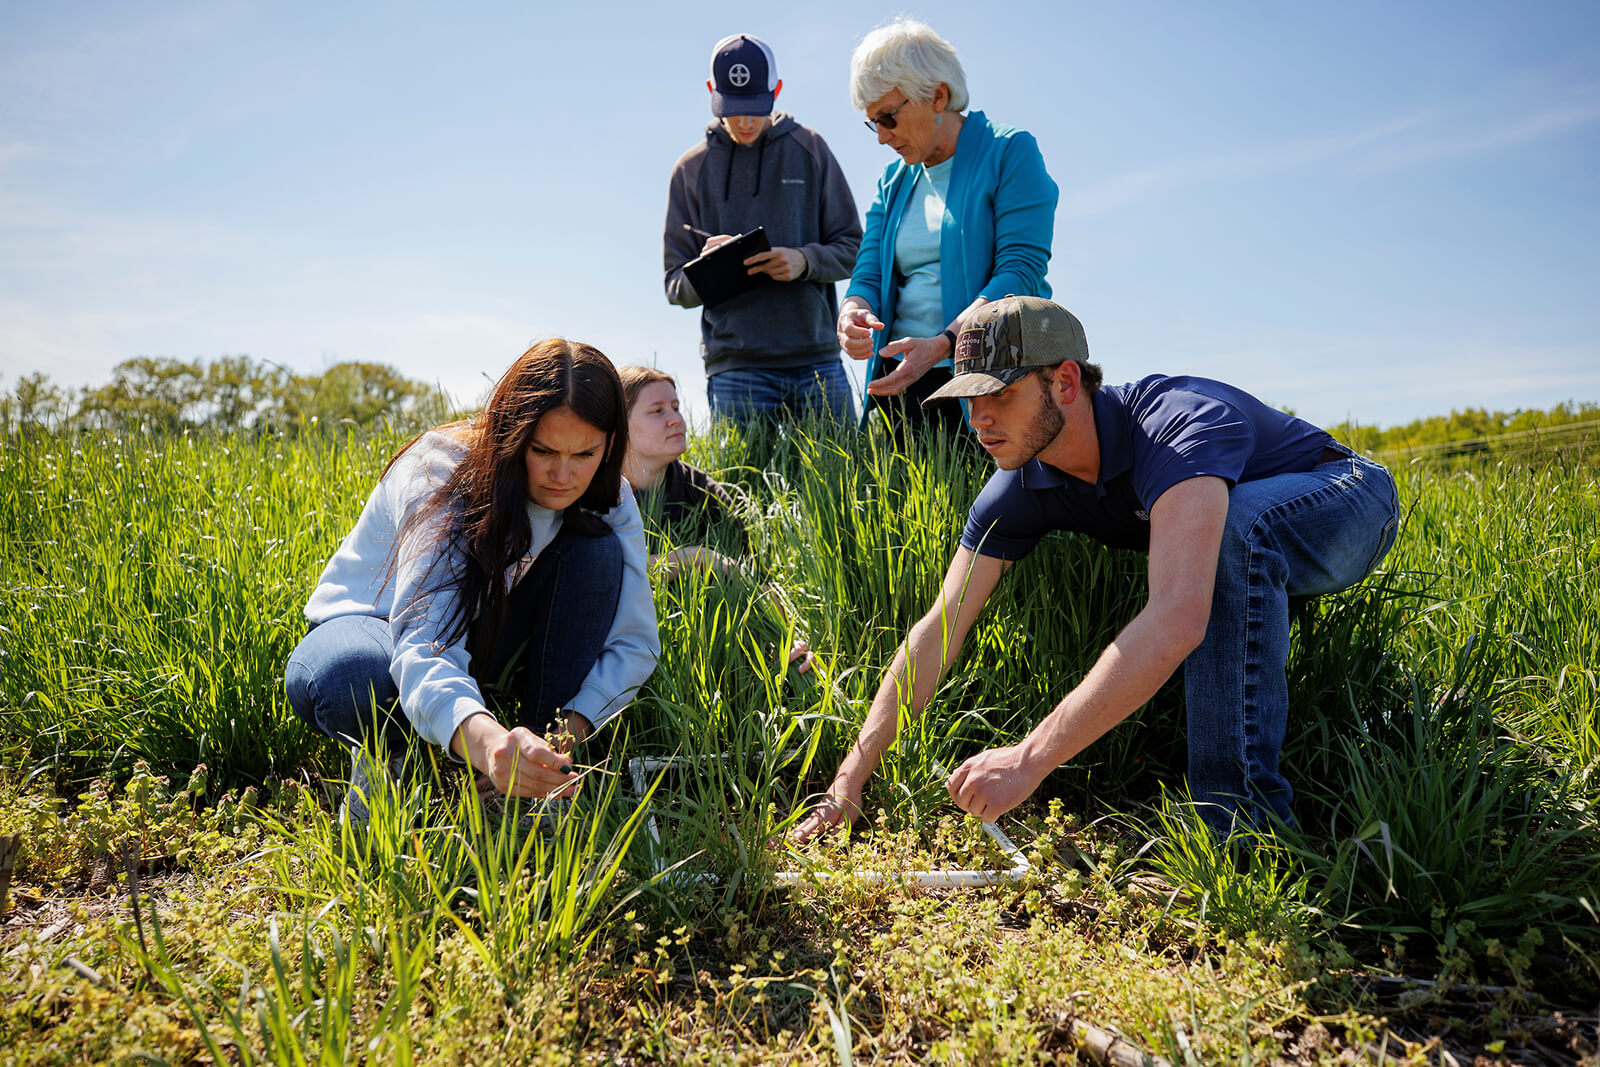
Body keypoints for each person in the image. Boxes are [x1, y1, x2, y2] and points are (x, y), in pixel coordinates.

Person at [795, 297, 1400, 841]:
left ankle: (1243, 827)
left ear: (1064, 382)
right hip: (1243, 540)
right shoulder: (1019, 483)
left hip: (1346, 499)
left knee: (1235, 530)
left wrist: (1029, 759)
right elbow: (940, 627)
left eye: (999, 395)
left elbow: (1178, 617)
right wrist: (845, 789)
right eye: (969, 400)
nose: (978, 419)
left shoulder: (1175, 428)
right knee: (1227, 542)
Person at [285, 339, 660, 824]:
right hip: (371, 626)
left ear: (610, 443)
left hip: (484, 628)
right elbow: (425, 644)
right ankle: (389, 759)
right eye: (542, 450)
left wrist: (558, 740)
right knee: (353, 678)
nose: (563, 475)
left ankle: (530, 777)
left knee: (598, 549)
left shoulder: (611, 495)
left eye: (585, 453)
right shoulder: (440, 472)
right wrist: (489, 745)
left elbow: (635, 641)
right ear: (510, 433)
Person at [838, 19, 1059, 440]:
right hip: (902, 385)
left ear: (937, 96)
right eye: (873, 123)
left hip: (991, 382)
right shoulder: (893, 180)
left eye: (888, 117)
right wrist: (851, 312)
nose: (882, 137)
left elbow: (1019, 272)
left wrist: (944, 344)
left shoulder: (1009, 152)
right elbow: (867, 273)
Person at [664, 33, 863, 425]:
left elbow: (855, 247)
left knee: (839, 485)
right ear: (711, 91)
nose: (743, 120)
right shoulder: (690, 170)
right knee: (740, 487)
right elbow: (674, 286)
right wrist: (710, 268)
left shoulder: (811, 149)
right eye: (732, 107)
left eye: (755, 107)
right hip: (735, 370)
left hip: (817, 363)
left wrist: (804, 261)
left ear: (778, 90)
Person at [619, 364, 747, 577]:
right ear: (620, 423)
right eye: (657, 411)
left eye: (676, 408)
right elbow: (595, 572)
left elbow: (752, 576)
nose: (677, 420)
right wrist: (690, 559)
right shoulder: (593, 489)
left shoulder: (703, 492)